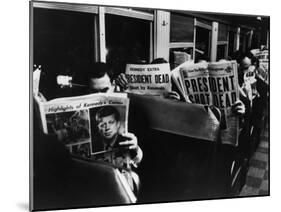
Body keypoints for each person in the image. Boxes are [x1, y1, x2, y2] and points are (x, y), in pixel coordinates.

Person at [93, 106, 142, 193]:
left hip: (124, 192)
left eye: (111, 122)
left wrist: (136, 148)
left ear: (118, 124)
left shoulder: (126, 140)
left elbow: (137, 160)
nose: (107, 128)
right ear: (98, 127)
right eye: (102, 124)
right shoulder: (94, 146)